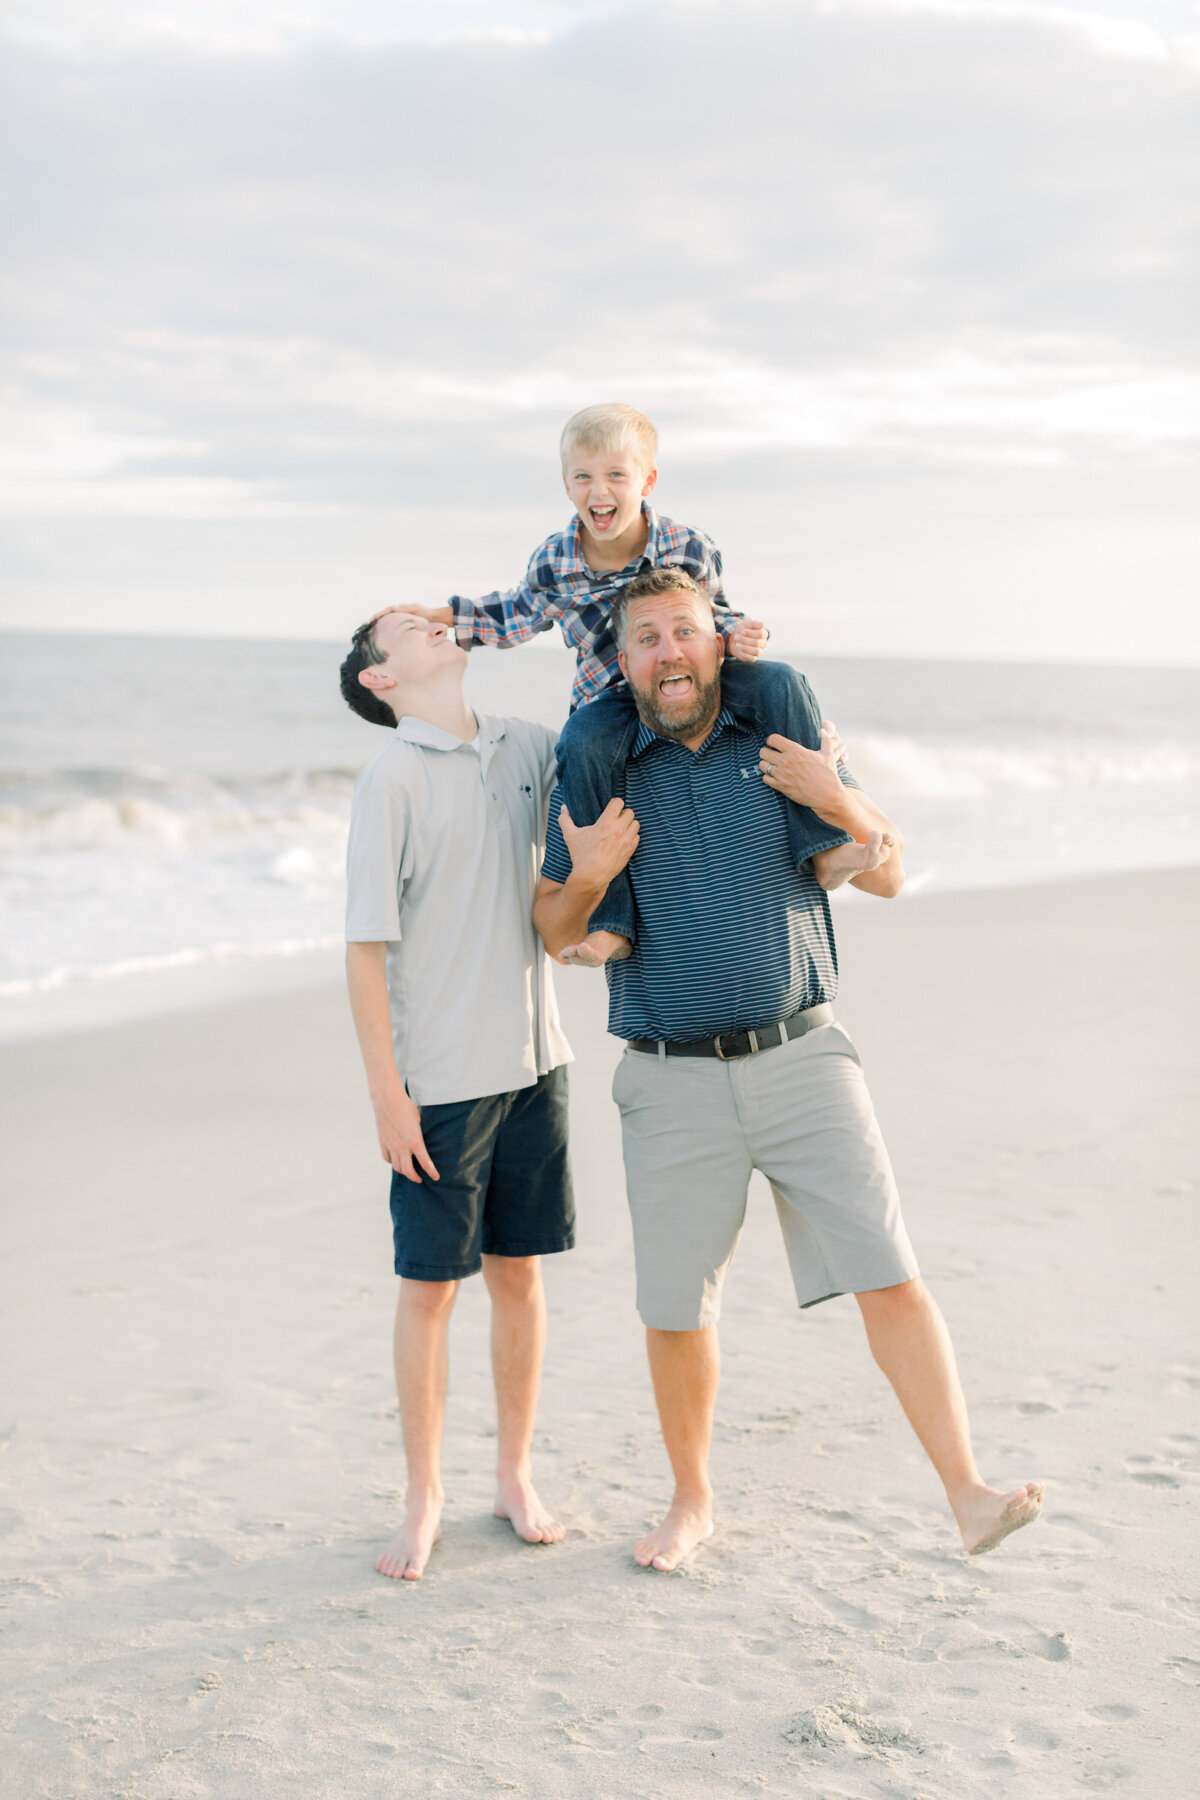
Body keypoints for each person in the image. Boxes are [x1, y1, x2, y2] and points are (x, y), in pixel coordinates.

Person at [533, 568, 1045, 1572]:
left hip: (805, 1061)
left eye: (685, 631)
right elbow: (554, 932)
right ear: (621, 661)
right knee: (678, 1310)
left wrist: (838, 794)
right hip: (670, 1076)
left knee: (889, 1274)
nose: (669, 652)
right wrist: (590, 875)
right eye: (646, 637)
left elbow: (887, 871)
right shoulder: (599, 764)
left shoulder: (779, 741)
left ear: (720, 644)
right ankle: (691, 1503)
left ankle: (969, 1493)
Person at [384, 403, 880, 963]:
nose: (601, 489)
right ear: (567, 485)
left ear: (646, 481)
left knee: (781, 683)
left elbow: (715, 615)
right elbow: (515, 612)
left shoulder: (688, 547)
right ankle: (613, 922)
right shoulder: (555, 560)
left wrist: (741, 635)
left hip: (698, 679)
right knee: (579, 741)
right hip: (610, 697)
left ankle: (826, 847)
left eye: (617, 474)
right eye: (584, 476)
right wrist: (443, 616)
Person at [340, 608, 576, 1580]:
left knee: (521, 1275)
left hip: (535, 1064)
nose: (432, 624)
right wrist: (387, 1098)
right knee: (431, 1290)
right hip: (438, 1083)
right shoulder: (389, 778)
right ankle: (423, 1494)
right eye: (405, 630)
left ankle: (513, 1475)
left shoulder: (527, 747)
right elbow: (363, 948)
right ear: (380, 681)